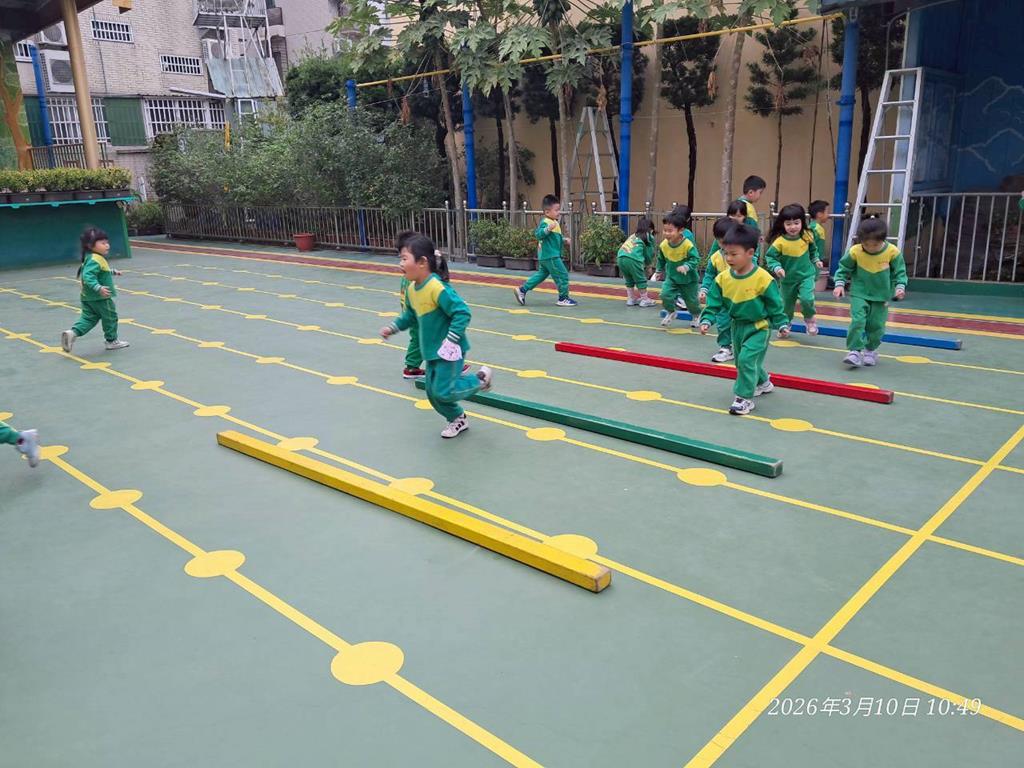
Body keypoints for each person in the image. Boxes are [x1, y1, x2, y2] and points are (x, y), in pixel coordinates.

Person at [381, 235, 493, 438]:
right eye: (400, 259)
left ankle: (480, 379)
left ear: (422, 262)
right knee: (432, 393)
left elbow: (462, 312)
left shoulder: (437, 287)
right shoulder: (412, 290)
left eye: (405, 258)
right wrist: (393, 327)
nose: (400, 264)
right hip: (432, 352)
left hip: (451, 350)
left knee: (444, 391)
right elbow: (410, 316)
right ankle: (457, 419)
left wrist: (451, 339)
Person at [699, 223, 790, 416]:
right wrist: (706, 319)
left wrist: (782, 323)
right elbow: (714, 302)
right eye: (726, 253)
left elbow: (775, 304)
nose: (728, 258)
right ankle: (763, 382)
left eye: (734, 254)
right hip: (737, 327)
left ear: (750, 253)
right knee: (742, 362)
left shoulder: (763, 278)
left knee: (747, 360)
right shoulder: (722, 279)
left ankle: (743, 398)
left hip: (759, 327)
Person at [833, 218, 908, 367]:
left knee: (876, 326)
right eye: (866, 244)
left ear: (883, 240)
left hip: (881, 296)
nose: (871, 248)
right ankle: (854, 351)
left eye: (875, 245)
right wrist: (839, 284)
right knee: (858, 321)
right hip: (859, 292)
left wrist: (900, 287)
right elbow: (843, 268)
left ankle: (870, 350)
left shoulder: (892, 252)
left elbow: (900, 272)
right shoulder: (855, 251)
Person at [61, 228, 129, 353]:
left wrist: (112, 272)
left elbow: (100, 271)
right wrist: (99, 288)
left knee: (89, 318)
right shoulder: (96, 259)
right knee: (110, 318)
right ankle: (111, 341)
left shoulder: (90, 258)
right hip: (101, 297)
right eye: (103, 243)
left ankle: (73, 333)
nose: (107, 245)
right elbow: (88, 276)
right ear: (90, 245)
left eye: (107, 242)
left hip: (87, 297)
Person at [765, 203, 824, 334]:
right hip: (787, 279)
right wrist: (777, 268)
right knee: (786, 305)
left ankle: (810, 320)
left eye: (796, 223)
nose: (793, 227)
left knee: (807, 299)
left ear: (802, 222)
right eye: (788, 224)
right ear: (783, 224)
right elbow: (770, 257)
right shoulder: (779, 242)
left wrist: (816, 260)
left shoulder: (807, 235)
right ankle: (785, 324)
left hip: (806, 276)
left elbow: (813, 250)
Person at [513, 194, 576, 307]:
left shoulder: (554, 222)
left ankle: (522, 290)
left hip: (546, 256)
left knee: (541, 275)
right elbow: (538, 234)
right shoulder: (546, 222)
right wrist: (547, 229)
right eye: (556, 210)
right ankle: (563, 298)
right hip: (551, 256)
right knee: (562, 275)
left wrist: (564, 240)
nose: (558, 212)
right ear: (547, 212)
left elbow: (553, 239)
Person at [653, 207, 701, 328]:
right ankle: (671, 312)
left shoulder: (687, 245)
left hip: (688, 280)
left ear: (681, 230)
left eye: (670, 231)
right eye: (665, 230)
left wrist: (687, 266)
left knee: (691, 302)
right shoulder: (664, 245)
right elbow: (661, 259)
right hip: (672, 278)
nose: (667, 234)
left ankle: (696, 315)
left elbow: (695, 259)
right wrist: (658, 270)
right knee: (665, 295)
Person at [700, 216, 737, 362]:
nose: (725, 246)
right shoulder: (715, 258)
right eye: (721, 242)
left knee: (743, 323)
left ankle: (743, 346)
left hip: (741, 297)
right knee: (723, 322)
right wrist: (704, 288)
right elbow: (709, 274)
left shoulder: (742, 255)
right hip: (723, 298)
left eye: (728, 241)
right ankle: (725, 347)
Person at [616, 217, 657, 307]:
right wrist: (649, 266)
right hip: (633, 259)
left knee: (629, 278)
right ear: (651, 229)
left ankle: (631, 298)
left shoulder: (633, 236)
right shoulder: (648, 237)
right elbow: (649, 254)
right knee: (640, 279)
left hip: (621, 257)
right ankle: (645, 299)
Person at [808, 199, 830, 266]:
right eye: (827, 212)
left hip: (817, 261)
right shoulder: (814, 228)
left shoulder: (818, 228)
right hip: (812, 262)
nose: (828, 215)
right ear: (819, 214)